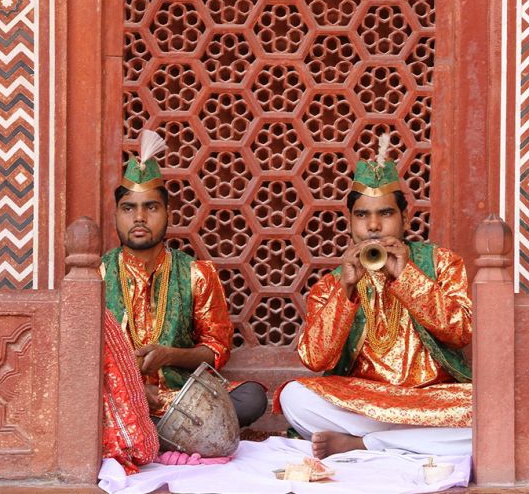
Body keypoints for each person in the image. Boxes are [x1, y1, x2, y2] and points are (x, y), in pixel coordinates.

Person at [278, 134, 473, 459]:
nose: (373, 226)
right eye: (362, 215)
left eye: (385, 214)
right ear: (350, 223)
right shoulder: (333, 283)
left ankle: (366, 445)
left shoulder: (441, 263)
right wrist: (347, 291)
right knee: (294, 397)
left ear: (404, 219)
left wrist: (407, 276)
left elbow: (461, 331)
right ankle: (407, 443)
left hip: (433, 398)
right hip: (364, 399)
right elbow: (315, 360)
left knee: (489, 412)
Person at [101, 130, 266, 470]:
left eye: (151, 207)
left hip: (183, 400)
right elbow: (77, 355)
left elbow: (217, 350)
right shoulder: (97, 276)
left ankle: (147, 440)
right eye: (128, 208)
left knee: (251, 398)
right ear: (116, 214)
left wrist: (170, 356)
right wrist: (128, 388)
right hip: (117, 400)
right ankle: (160, 438)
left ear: (168, 213)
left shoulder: (196, 273)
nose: (140, 218)